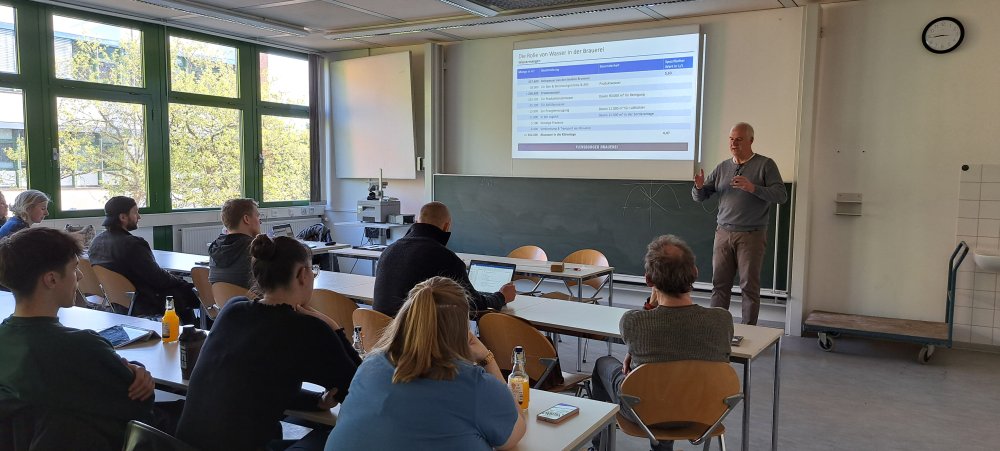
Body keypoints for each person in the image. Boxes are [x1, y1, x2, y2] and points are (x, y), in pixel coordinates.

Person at [176, 235, 361, 451]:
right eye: (313, 270)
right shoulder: (309, 329)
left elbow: (254, 384)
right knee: (340, 439)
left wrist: (315, 401)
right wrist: (334, 327)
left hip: (184, 445)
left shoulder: (232, 310)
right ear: (302, 274)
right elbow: (360, 388)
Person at [325, 276, 526, 451]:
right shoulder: (473, 384)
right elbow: (513, 435)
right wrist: (487, 359)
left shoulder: (369, 364)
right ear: (462, 330)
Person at [0, 228, 156, 450]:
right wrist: (137, 371)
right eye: (74, 269)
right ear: (52, 279)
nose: (80, 276)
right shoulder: (83, 347)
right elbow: (139, 405)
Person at [591, 235, 733, 451]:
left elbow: (654, 335)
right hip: (705, 412)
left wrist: (650, 307)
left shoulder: (633, 322)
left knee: (605, 364)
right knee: (673, 374)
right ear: (695, 273)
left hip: (646, 414)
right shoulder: (722, 320)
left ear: (649, 281)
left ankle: (599, 448)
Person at [692, 122, 787, 325]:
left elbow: (781, 195)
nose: (734, 143)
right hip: (723, 233)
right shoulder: (723, 167)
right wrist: (699, 187)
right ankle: (716, 329)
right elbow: (701, 196)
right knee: (719, 285)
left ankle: (749, 331)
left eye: (739, 139)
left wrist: (754, 188)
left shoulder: (765, 165)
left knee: (749, 287)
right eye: (731, 139)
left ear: (751, 141)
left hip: (751, 235)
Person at [373, 201, 515, 317]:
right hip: (413, 343)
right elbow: (473, 304)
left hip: (381, 338)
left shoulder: (388, 250)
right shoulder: (445, 258)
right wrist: (501, 297)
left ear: (417, 221)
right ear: (447, 226)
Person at [87, 196, 199, 324]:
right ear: (123, 217)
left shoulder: (96, 242)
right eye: (135, 212)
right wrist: (183, 283)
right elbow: (158, 278)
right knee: (194, 293)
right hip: (146, 301)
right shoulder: (133, 244)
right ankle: (196, 333)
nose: (139, 217)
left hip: (120, 303)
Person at [208, 198, 262, 289]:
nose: (260, 221)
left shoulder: (215, 247)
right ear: (246, 219)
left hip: (223, 303)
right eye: (257, 216)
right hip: (252, 302)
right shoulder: (256, 249)